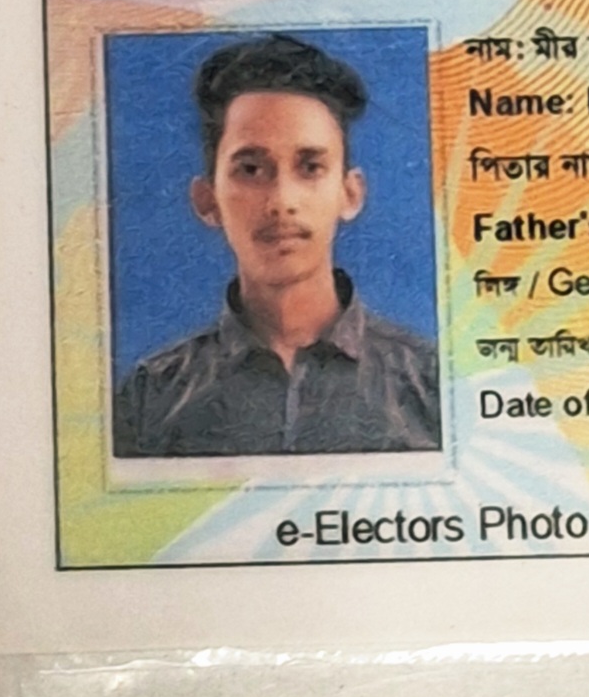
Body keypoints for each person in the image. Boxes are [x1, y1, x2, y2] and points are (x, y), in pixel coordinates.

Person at [113, 33, 441, 457]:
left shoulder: (430, 385)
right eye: (251, 169)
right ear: (207, 200)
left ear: (350, 193)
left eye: (310, 167)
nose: (282, 201)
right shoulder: (150, 398)